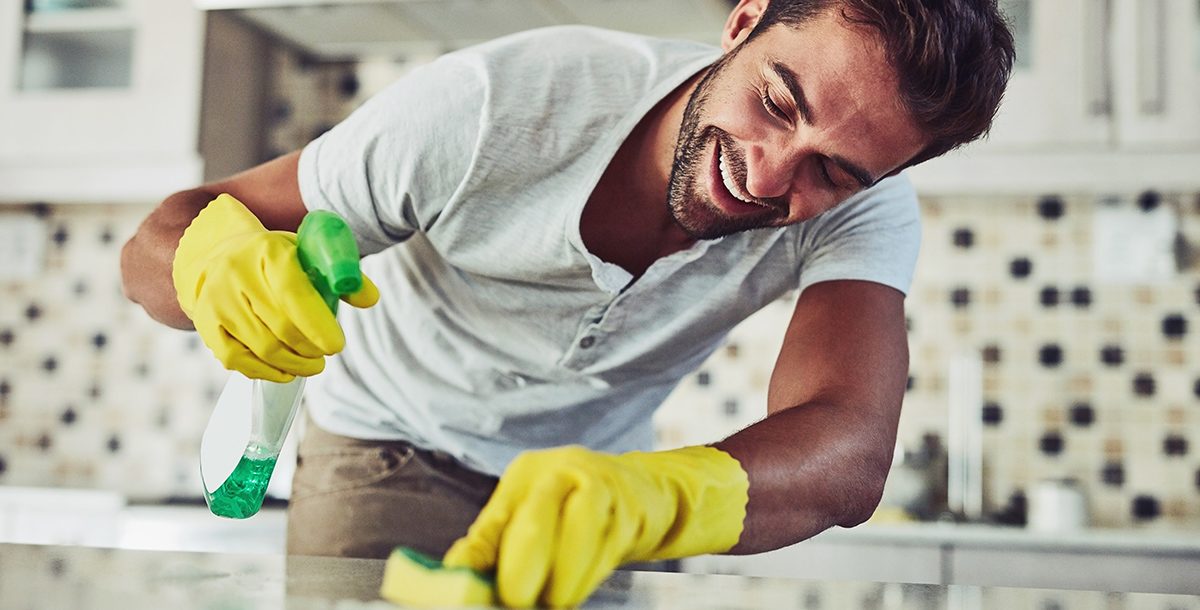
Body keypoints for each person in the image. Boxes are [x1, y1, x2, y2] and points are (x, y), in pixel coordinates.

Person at [122, 0, 1014, 606]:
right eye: (776, 101)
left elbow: (848, 451)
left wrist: (649, 501)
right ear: (743, 23)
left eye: (833, 170)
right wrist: (211, 264)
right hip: (385, 448)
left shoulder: (870, 211)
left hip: (593, 491)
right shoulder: (493, 104)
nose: (769, 172)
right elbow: (163, 241)